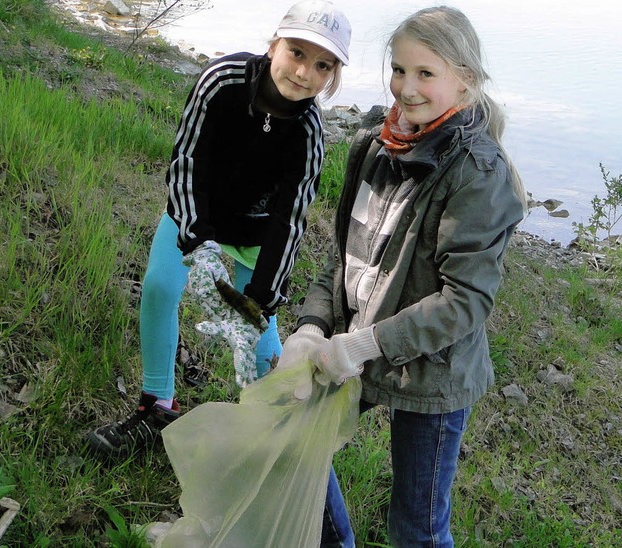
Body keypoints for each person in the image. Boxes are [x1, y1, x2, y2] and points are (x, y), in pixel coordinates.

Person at [277, 6, 527, 547]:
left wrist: (366, 344)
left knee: (417, 526)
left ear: (465, 80)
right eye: (398, 70)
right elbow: (343, 257)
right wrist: (311, 327)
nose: (406, 88)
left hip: (434, 369)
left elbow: (465, 303)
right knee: (294, 445)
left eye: (425, 73)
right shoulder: (375, 145)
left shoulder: (478, 174)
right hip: (354, 340)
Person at [88, 0, 351, 458]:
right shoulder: (221, 81)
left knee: (258, 330)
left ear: (332, 76)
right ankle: (156, 407)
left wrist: (264, 295)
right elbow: (187, 161)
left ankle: (270, 431)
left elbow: (291, 219)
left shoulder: (309, 133)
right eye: (297, 53)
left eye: (322, 65)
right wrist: (199, 239)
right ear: (274, 46)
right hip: (197, 212)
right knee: (159, 288)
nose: (305, 71)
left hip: (256, 230)